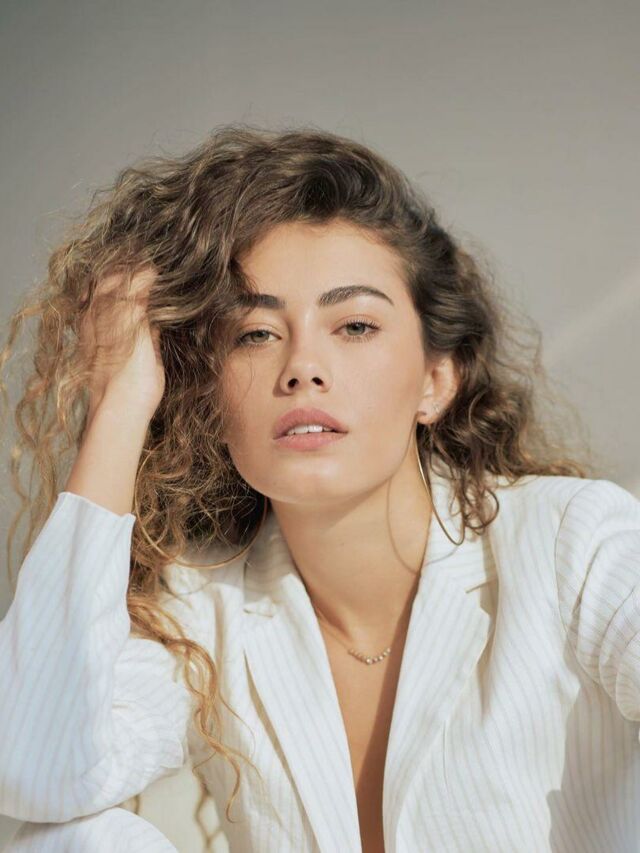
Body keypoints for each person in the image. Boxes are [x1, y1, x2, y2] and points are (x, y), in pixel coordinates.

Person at [0, 124, 639, 853]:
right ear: (206, 394)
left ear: (435, 381)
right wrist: (118, 403)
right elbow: (31, 768)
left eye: (355, 325)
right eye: (254, 334)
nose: (302, 366)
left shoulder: (572, 542)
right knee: (62, 838)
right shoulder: (200, 607)